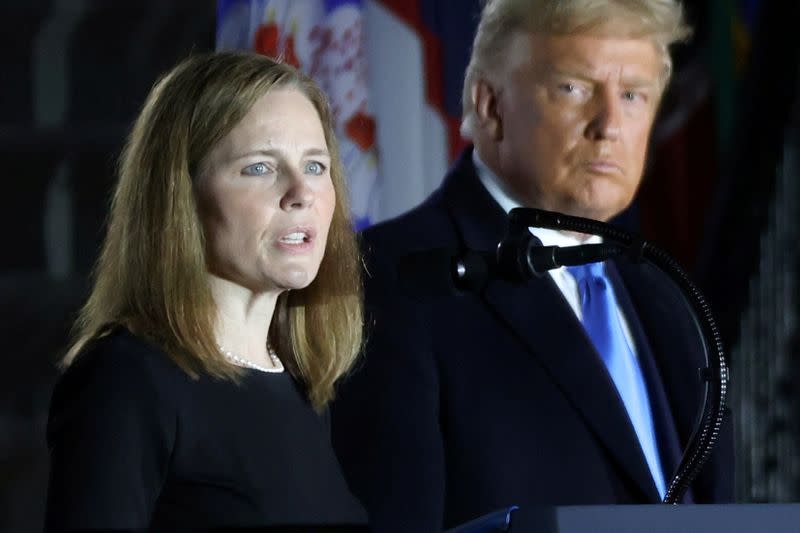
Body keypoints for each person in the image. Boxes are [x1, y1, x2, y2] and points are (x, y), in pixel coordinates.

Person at [331, 0, 735, 531]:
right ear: (491, 106)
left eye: (633, 95)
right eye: (574, 88)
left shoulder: (668, 295)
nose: (609, 124)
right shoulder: (396, 279)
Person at [45, 52, 367, 531]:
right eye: (260, 168)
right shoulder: (127, 379)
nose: (302, 191)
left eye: (316, 166)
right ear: (181, 196)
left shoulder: (301, 381)